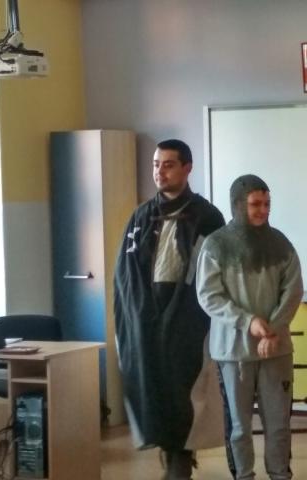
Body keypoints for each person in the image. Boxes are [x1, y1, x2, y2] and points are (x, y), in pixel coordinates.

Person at [114, 139, 225, 480]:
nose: (159, 172)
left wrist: (187, 314)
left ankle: (181, 458)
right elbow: (125, 273)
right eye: (156, 164)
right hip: (145, 318)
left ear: (187, 168)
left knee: (183, 389)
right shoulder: (141, 216)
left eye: (168, 164)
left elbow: (210, 272)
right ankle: (167, 450)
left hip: (186, 319)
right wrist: (135, 314)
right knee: (152, 386)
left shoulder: (206, 217)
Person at [196, 174, 303, 480]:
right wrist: (248, 321)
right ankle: (243, 475)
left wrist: (274, 329)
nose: (263, 210)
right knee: (239, 427)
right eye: (256, 204)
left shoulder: (281, 244)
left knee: (278, 424)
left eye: (267, 204)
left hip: (275, 349)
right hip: (233, 352)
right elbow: (209, 295)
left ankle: (280, 474)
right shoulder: (216, 246)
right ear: (238, 205)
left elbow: (293, 291)